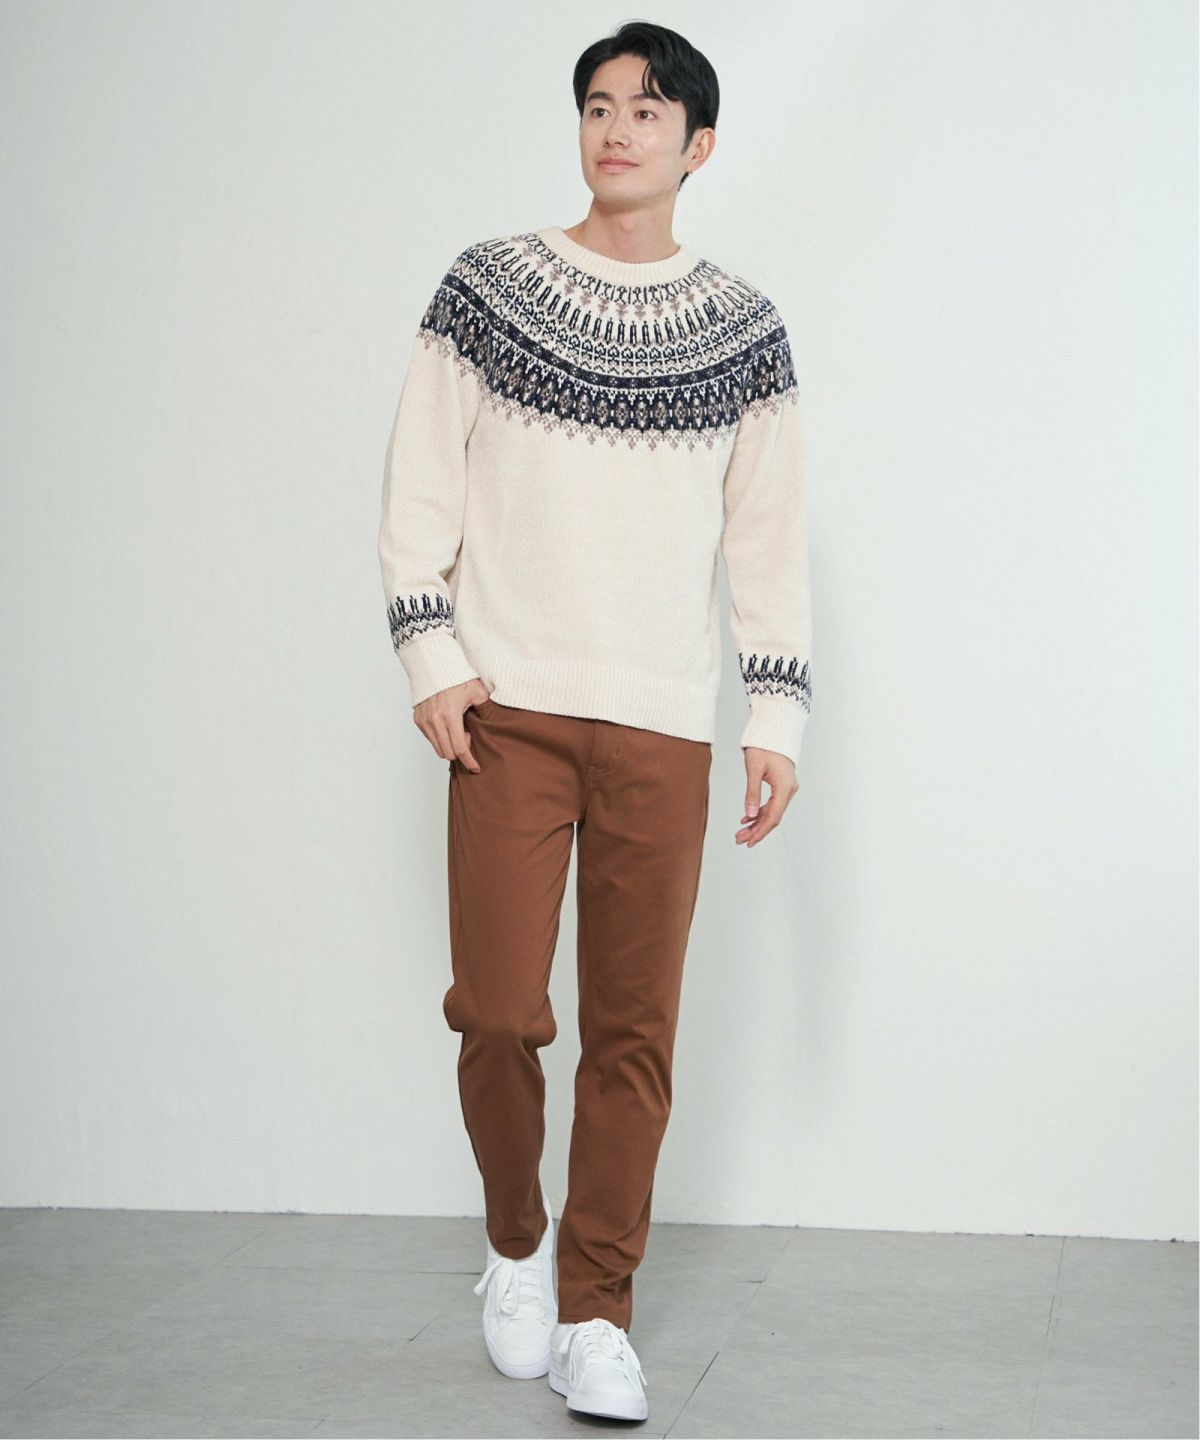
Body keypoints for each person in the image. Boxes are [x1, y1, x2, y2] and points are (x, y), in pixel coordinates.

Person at [377, 19, 812, 1425]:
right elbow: (419, 484)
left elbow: (768, 539)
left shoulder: (744, 329)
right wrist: (430, 654)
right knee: (500, 1011)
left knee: (636, 1033)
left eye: (648, 109)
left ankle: (596, 1308)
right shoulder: (489, 289)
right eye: (598, 105)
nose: (617, 128)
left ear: (699, 145)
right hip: (505, 711)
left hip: (662, 726)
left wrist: (774, 715)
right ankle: (516, 1242)